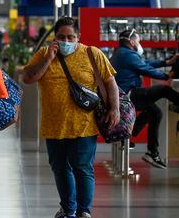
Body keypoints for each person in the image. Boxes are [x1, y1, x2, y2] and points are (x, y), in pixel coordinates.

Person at [23, 17, 120, 218]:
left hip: (84, 125)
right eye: (61, 37)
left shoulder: (92, 54)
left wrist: (115, 109)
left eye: (70, 37)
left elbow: (110, 82)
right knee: (59, 168)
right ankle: (68, 209)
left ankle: (84, 211)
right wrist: (48, 58)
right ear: (54, 37)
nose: (66, 41)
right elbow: (28, 78)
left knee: (82, 168)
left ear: (79, 37)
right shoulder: (43, 54)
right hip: (54, 125)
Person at [110, 29, 179, 169]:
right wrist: (167, 77)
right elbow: (145, 69)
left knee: (155, 112)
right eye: (138, 41)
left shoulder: (121, 53)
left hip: (122, 97)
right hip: (128, 97)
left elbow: (144, 63)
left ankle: (142, 145)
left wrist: (167, 62)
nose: (139, 44)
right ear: (131, 41)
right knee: (164, 90)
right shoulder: (126, 54)